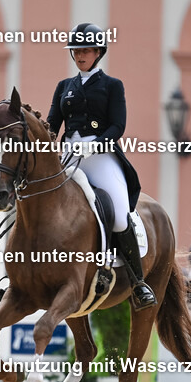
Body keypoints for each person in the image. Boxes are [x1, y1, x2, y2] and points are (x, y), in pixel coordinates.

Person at [46, 22, 155, 310]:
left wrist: (95, 144)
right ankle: (16, 275)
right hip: (69, 155)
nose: (80, 55)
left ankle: (138, 281)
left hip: (101, 156)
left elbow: (118, 125)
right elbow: (52, 126)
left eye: (85, 50)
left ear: (98, 52)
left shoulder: (111, 85)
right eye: (76, 51)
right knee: (38, 202)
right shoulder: (64, 87)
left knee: (119, 215)